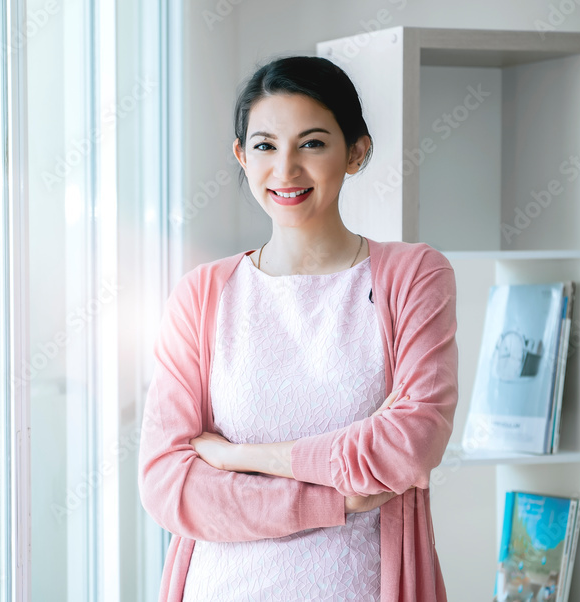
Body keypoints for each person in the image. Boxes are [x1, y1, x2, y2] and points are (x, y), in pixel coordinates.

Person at [137, 55, 458, 601]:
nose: (285, 171)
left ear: (356, 152)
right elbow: (170, 485)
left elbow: (411, 441)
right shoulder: (204, 294)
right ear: (241, 155)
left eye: (311, 143)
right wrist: (331, 498)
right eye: (264, 146)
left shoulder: (414, 276)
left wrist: (244, 457)